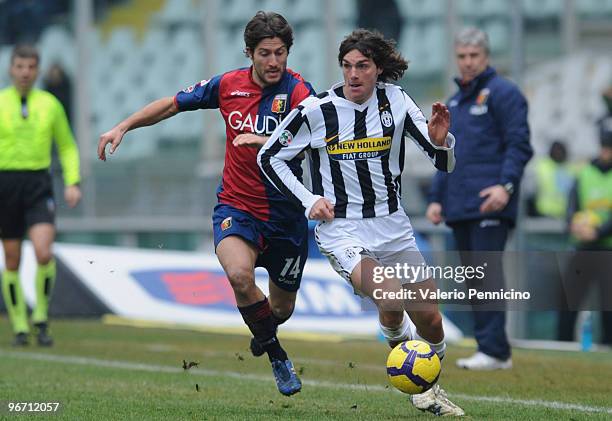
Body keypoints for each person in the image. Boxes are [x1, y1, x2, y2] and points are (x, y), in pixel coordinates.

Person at [97, 12, 314, 396]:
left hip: (286, 217)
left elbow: (320, 140)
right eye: (265, 53)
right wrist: (122, 126)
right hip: (237, 207)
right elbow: (172, 105)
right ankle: (278, 357)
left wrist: (266, 144)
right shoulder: (228, 85)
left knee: (281, 309)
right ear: (250, 52)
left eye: (280, 53)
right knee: (239, 277)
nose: (274, 62)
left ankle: (265, 330)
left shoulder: (299, 92)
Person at [259, 29, 465, 416]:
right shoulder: (317, 111)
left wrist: (442, 141)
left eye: (362, 66)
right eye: (347, 66)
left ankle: (429, 385)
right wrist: (309, 200)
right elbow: (270, 157)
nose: (353, 75)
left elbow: (443, 163)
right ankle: (413, 378)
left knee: (432, 321)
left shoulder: (397, 101)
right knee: (389, 297)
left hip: (393, 225)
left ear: (378, 69)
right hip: (343, 230)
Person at [426, 27, 533, 370]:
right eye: (461, 56)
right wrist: (436, 197)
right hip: (459, 204)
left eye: (474, 56)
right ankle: (491, 349)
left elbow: (520, 144)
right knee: (474, 276)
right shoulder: (454, 101)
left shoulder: (504, 93)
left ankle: (494, 350)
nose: (467, 63)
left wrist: (506, 186)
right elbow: (444, 152)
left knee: (486, 274)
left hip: (491, 202)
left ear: (486, 57)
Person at [0, 44, 81, 347]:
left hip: (37, 184)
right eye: (20, 66)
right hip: (5, 184)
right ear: (11, 69)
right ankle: (20, 324)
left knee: (43, 252)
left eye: (31, 67)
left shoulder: (49, 105)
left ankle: (41, 317)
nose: (25, 72)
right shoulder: (1, 102)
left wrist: (72, 181)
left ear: (37, 70)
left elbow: (67, 145)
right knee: (11, 258)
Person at [558, 116, 612, 345]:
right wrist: (574, 224)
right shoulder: (584, 172)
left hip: (608, 248)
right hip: (583, 247)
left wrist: (598, 232)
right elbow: (571, 206)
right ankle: (562, 347)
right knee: (567, 301)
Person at [532, 141, 576, 219]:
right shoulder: (541, 167)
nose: (558, 153)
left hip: (566, 215)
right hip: (544, 214)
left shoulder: (571, 169)